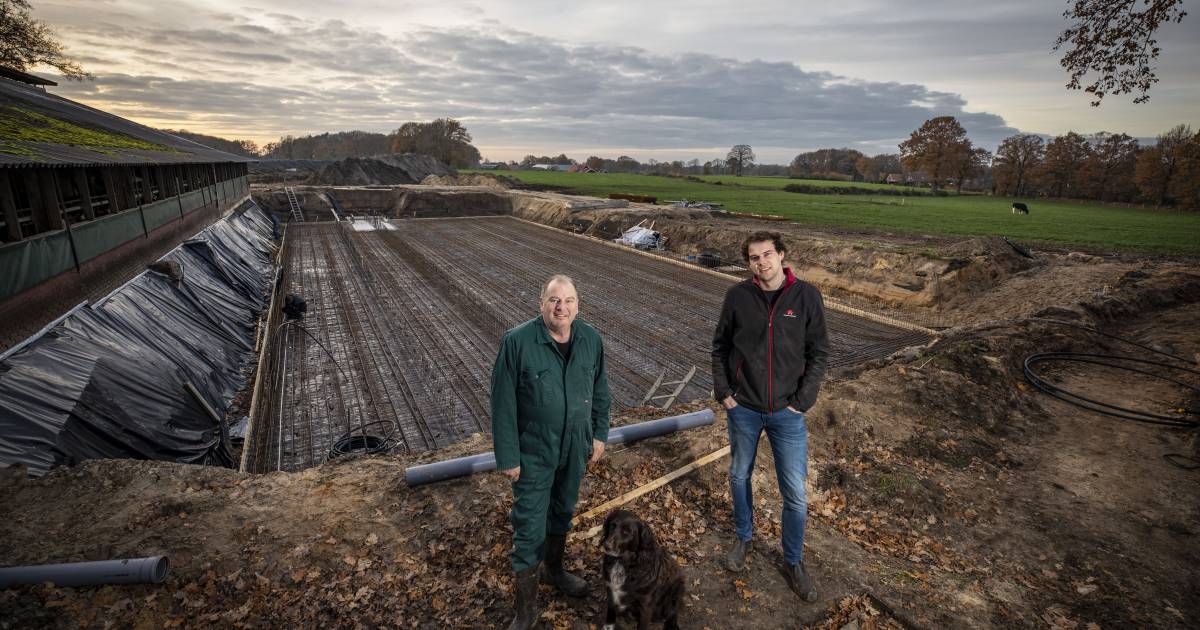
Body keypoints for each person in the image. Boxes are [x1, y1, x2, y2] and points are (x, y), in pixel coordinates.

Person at [710, 231, 831, 602]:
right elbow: (720, 347)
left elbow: (820, 353)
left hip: (787, 413)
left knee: (794, 492)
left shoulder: (806, 296)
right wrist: (725, 393)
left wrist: (801, 401)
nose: (761, 263)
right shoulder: (738, 296)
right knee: (738, 474)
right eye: (753, 258)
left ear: (781, 255)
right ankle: (744, 538)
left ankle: (793, 561)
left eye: (767, 255)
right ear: (748, 263)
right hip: (743, 409)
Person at [491, 274, 612, 630]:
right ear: (541, 304)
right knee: (529, 525)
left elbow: (601, 390)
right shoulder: (517, 342)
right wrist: (509, 456)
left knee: (562, 511)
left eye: (569, 300)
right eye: (554, 300)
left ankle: (554, 571)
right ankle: (526, 611)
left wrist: (599, 434)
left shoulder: (590, 339)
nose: (562, 307)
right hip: (534, 450)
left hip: (575, 446)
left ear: (578, 304)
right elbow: (502, 403)